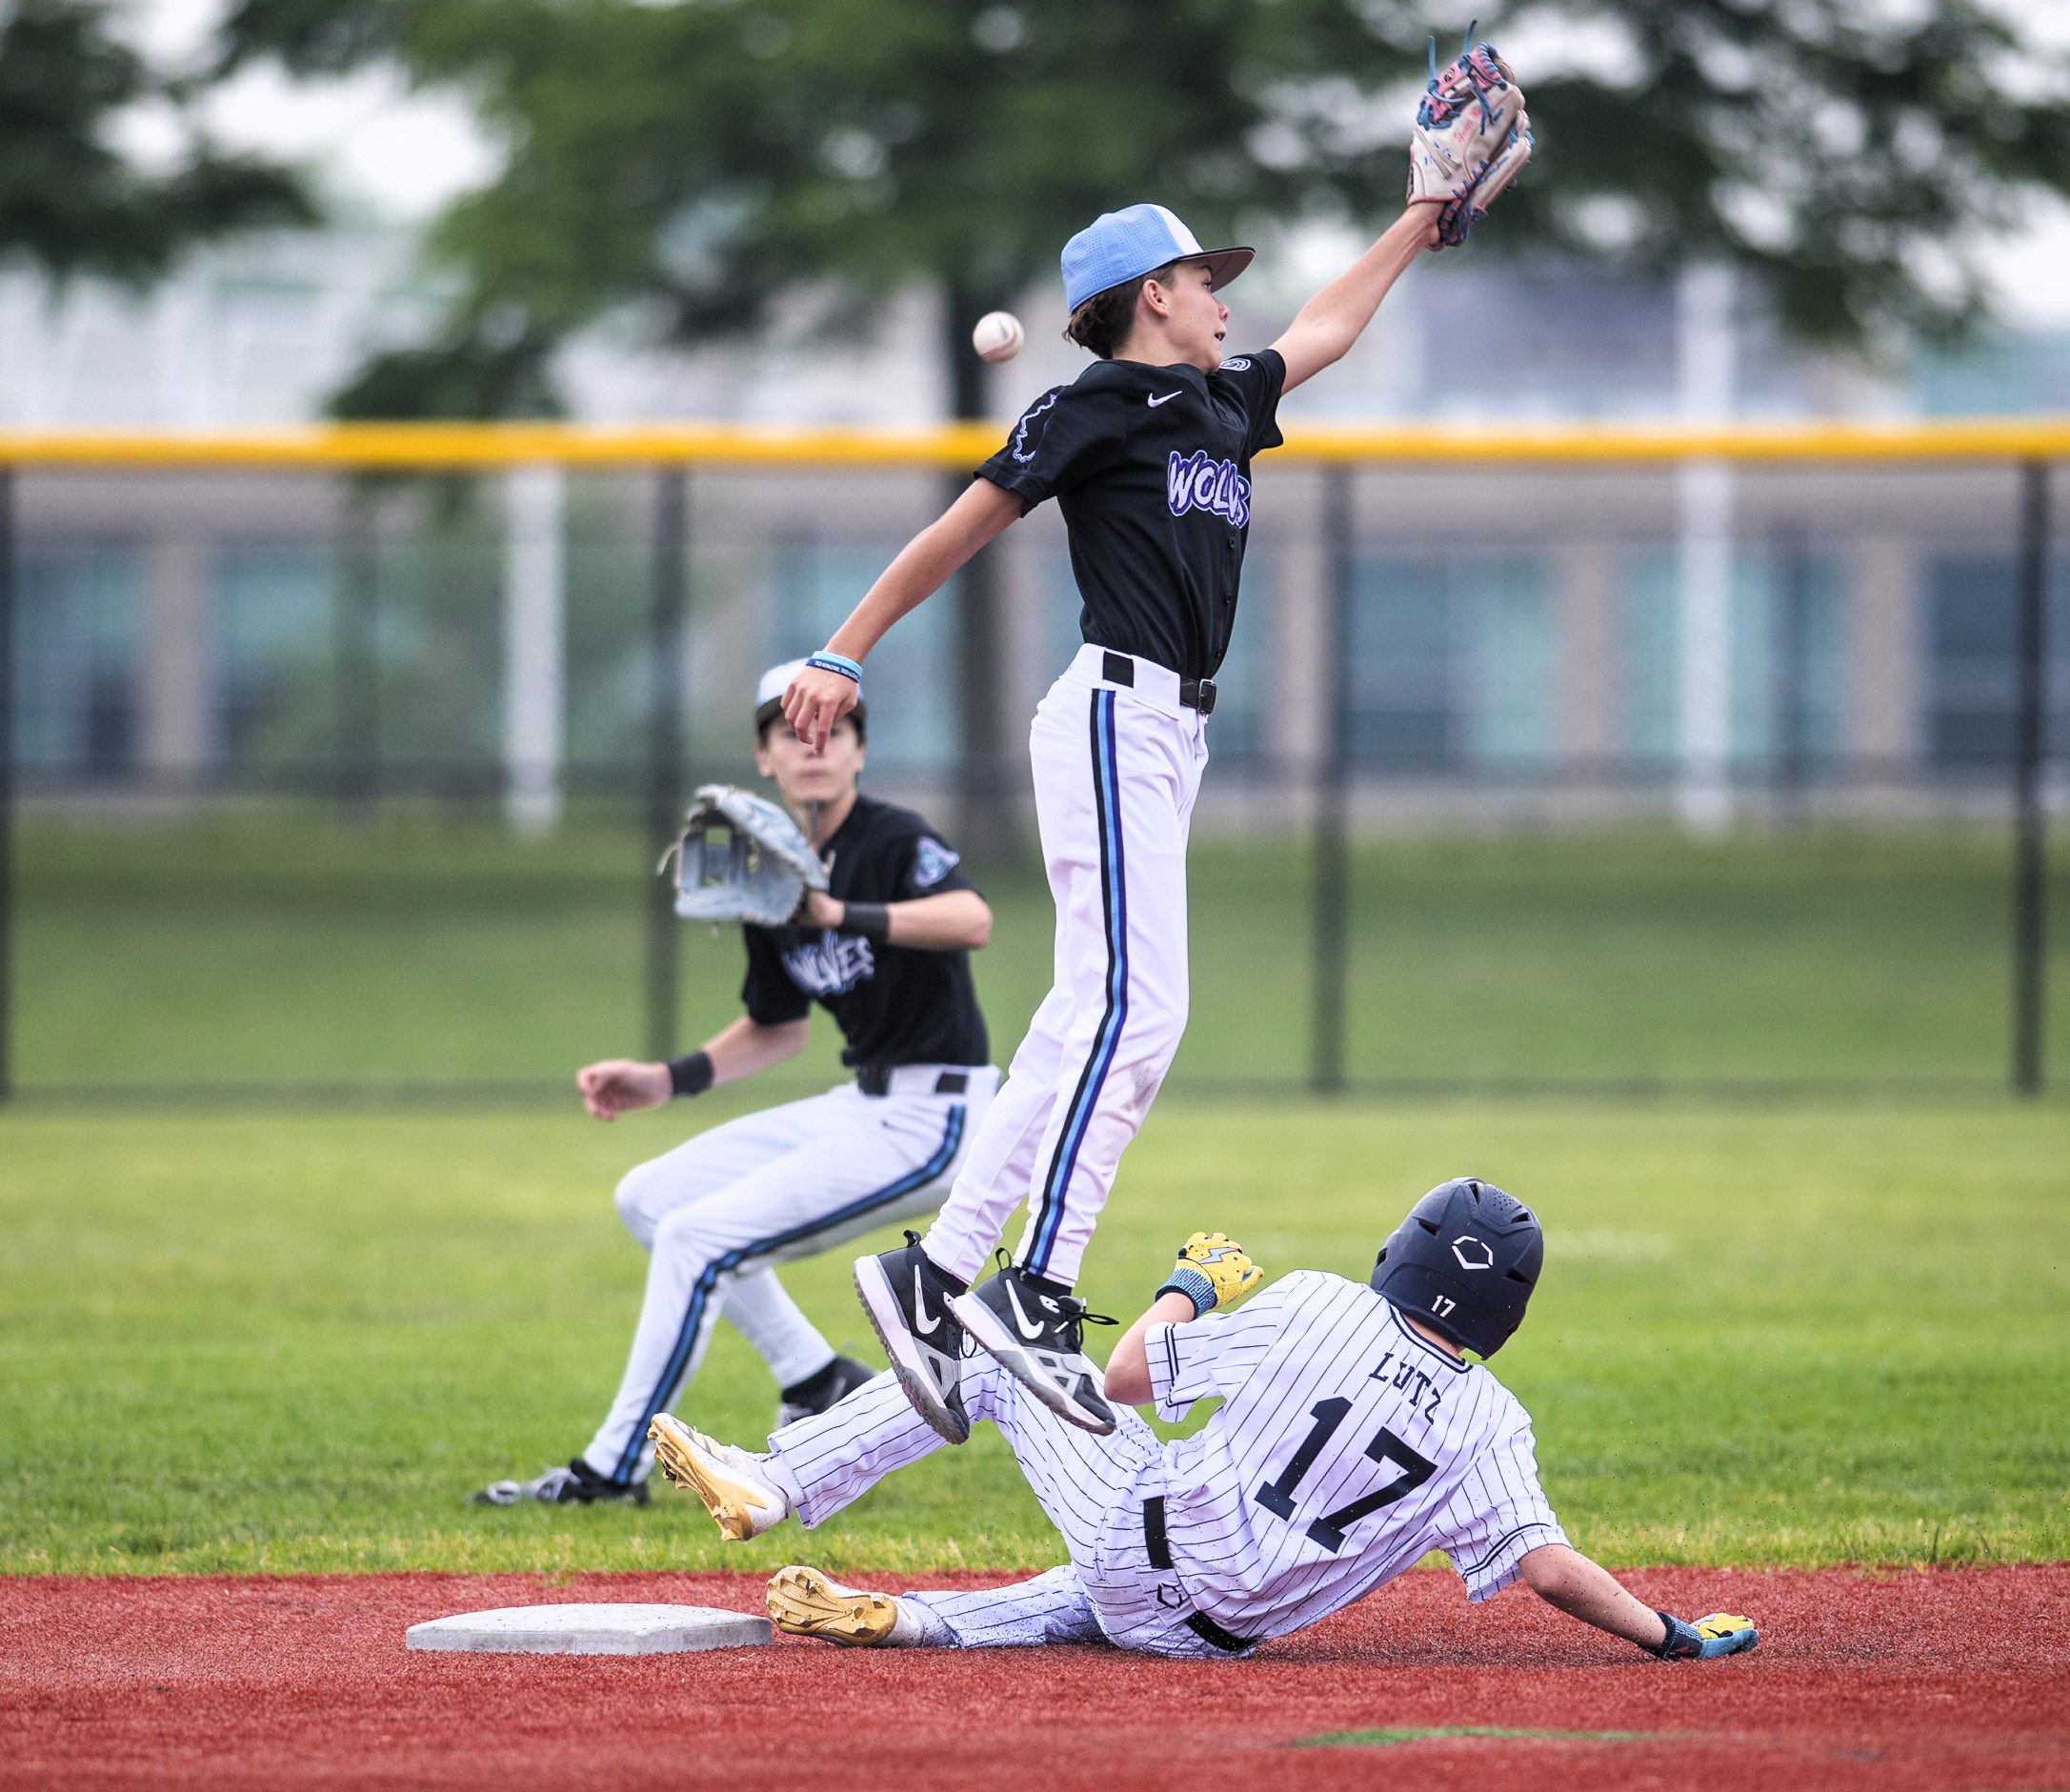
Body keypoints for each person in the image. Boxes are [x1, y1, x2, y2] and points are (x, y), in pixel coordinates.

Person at [779, 185, 1498, 1443]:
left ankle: (934, 1276)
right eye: (1205, 278)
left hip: (1171, 735)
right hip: (1113, 715)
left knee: (1083, 1015)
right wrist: (843, 651)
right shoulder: (1096, 404)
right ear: (1151, 294)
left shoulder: (1222, 402)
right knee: (1140, 1011)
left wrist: (1420, 216)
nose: (1225, 298)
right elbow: (961, 525)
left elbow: (1327, 329)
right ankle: (1036, 1287)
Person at [646, 1177, 1760, 1667]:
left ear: (1403, 1249)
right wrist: (1667, 1632)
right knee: (1099, 1595)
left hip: (1142, 1539)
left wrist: (1189, 1284)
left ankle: (777, 1480)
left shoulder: (1319, 1301)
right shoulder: (1491, 1420)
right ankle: (916, 1622)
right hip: (1207, 1634)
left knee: (994, 1351)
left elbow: (1125, 1374)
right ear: (1506, 1308)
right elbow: (1550, 1568)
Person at [474, 663, 999, 1506]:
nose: (813, 745)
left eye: (832, 730)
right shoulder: (768, 874)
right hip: (862, 1102)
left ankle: (612, 1469)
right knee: (650, 1198)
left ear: (859, 751)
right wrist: (665, 1078)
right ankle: (815, 1375)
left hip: (937, 1114)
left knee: (697, 1240)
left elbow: (970, 919)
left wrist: (839, 913)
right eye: (792, 732)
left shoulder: (892, 838)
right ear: (764, 758)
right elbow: (777, 1025)